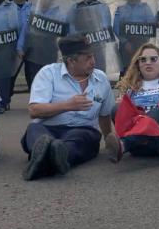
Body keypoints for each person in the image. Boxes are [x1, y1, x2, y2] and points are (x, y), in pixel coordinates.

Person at [21, 35, 118, 181]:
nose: (93, 61)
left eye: (93, 56)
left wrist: (109, 140)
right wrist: (68, 105)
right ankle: (51, 155)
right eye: (87, 58)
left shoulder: (101, 78)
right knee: (35, 130)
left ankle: (48, 157)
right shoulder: (48, 73)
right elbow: (34, 111)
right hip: (48, 128)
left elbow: (104, 115)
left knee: (82, 137)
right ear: (71, 61)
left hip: (81, 130)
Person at [112, 43, 159, 161]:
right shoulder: (131, 85)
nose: (148, 62)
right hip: (139, 147)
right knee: (117, 108)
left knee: (155, 113)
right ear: (138, 64)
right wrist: (122, 105)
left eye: (153, 59)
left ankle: (124, 144)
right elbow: (124, 117)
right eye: (143, 60)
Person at [22, 0, 67, 88]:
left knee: (49, 78)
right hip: (32, 51)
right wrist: (20, 47)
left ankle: (47, 102)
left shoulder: (58, 13)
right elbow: (25, 31)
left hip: (49, 50)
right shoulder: (31, 11)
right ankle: (36, 102)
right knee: (33, 80)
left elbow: (65, 31)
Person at [69, 0, 113, 72]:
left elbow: (107, 25)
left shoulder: (103, 7)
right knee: (82, 74)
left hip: (99, 47)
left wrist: (96, 36)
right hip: (81, 47)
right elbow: (70, 26)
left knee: (99, 74)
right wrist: (80, 37)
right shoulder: (75, 7)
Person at [113, 0, 156, 76]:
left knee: (141, 70)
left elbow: (151, 23)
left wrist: (144, 42)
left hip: (141, 43)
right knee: (125, 72)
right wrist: (125, 42)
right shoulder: (121, 8)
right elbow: (116, 27)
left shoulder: (145, 7)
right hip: (125, 44)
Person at [10, 0, 32, 98]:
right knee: (11, 75)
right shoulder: (6, 8)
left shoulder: (33, 8)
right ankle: (5, 100)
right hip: (12, 47)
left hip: (30, 47)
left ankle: (35, 100)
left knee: (32, 75)